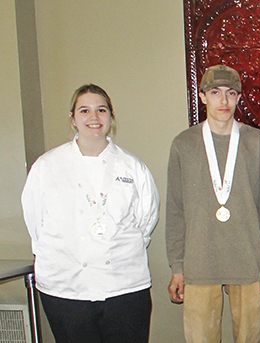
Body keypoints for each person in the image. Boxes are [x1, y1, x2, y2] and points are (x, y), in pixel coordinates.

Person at [22, 84, 159, 342]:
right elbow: (35, 222)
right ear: (73, 119)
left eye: (101, 110)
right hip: (66, 290)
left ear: (111, 116)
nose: (93, 118)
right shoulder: (47, 166)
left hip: (124, 287)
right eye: (84, 110)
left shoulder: (133, 167)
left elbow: (145, 221)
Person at [166, 65, 260, 342]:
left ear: (239, 98)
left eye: (230, 93)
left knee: (249, 337)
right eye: (215, 93)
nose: (223, 101)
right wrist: (177, 266)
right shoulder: (184, 144)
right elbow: (175, 210)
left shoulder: (257, 142)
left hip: (248, 259)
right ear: (202, 96)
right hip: (199, 261)